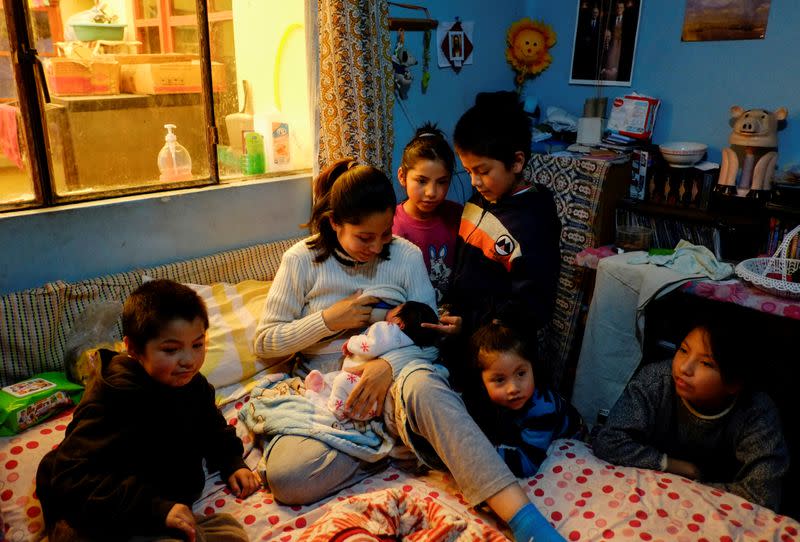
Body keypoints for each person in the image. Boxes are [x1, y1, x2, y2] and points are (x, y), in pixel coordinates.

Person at [252, 158, 562, 542]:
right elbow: (265, 342)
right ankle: (406, 446)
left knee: (427, 389)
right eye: (365, 237)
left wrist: (386, 365)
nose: (378, 247)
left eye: (385, 234)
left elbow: (429, 339)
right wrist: (329, 320)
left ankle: (527, 523)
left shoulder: (405, 255)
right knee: (287, 478)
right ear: (335, 223)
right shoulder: (301, 260)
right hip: (330, 394)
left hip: (399, 379)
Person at [36, 279, 261, 541]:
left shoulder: (193, 385)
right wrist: (155, 509)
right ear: (133, 348)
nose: (189, 360)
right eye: (171, 349)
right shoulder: (111, 396)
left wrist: (231, 462)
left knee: (232, 534)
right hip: (111, 499)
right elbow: (71, 477)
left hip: (164, 498)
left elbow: (211, 426)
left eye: (198, 345)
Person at [592, 313, 790, 511]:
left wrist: (687, 490)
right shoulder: (657, 382)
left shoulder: (756, 412)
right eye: (684, 350)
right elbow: (608, 441)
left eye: (706, 363)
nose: (684, 367)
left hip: (714, 511)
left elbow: (762, 495)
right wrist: (673, 465)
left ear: (734, 382)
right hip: (649, 500)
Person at [435, 91, 561, 392]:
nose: (475, 182)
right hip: (464, 337)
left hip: (499, 354)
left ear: (517, 162)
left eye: (483, 171)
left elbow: (531, 307)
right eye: (468, 172)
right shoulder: (481, 199)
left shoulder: (533, 221)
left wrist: (471, 320)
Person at [467, 314, 585, 478]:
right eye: (500, 379)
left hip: (573, 437)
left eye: (521, 374)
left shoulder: (543, 410)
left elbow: (528, 464)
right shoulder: (483, 397)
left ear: (532, 368)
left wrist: (477, 456)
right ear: (481, 381)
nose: (513, 388)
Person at [307, 300, 439, 420]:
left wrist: (351, 343)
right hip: (376, 402)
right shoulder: (412, 343)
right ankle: (323, 386)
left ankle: (336, 411)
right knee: (337, 379)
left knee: (341, 381)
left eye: (397, 307)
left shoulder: (388, 329)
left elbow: (370, 346)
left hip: (362, 387)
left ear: (400, 323)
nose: (392, 308)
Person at [392, 123, 462, 303]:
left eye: (442, 182)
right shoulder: (390, 223)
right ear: (402, 176)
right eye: (421, 181)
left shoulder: (459, 216)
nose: (431, 192)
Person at [600, 0, 639, 82]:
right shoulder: (612, 19)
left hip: (620, 44)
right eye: (618, 8)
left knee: (618, 61)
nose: (619, 9)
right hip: (613, 43)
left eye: (621, 8)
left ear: (623, 9)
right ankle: (608, 77)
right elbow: (608, 29)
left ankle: (615, 76)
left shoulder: (626, 20)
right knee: (610, 60)